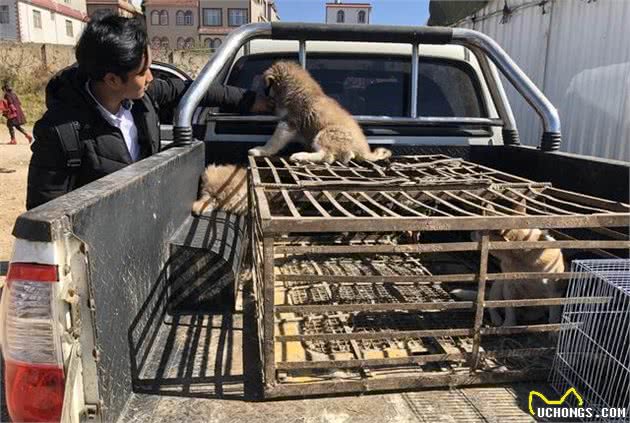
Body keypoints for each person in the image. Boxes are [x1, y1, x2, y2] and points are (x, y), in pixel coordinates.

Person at [26, 13, 270, 210]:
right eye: (142, 72)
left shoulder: (145, 98)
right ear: (112, 79)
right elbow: (44, 211)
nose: (151, 77)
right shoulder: (60, 132)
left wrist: (251, 101)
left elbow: (195, 90)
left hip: (144, 218)